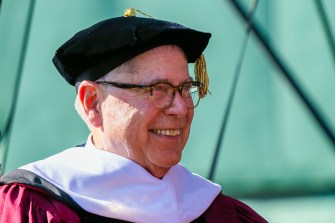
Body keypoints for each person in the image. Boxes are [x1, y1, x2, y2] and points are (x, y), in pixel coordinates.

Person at [0, 8, 267, 223]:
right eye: (158, 90)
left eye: (185, 89)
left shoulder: (221, 213)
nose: (181, 108)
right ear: (92, 102)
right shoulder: (34, 209)